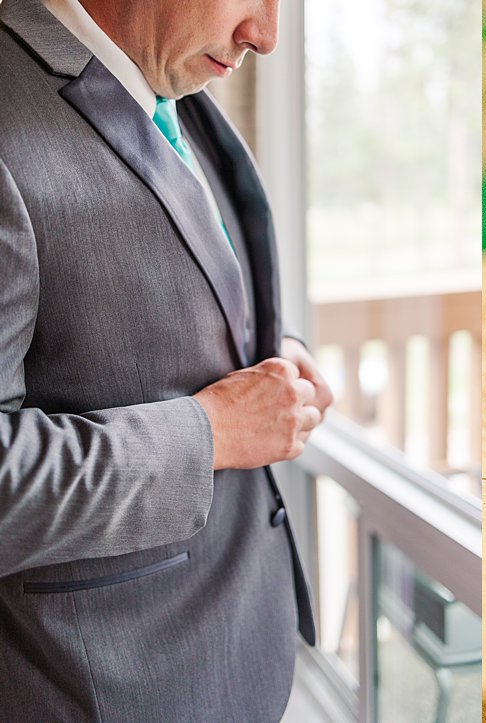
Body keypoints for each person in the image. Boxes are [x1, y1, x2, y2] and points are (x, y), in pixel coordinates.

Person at [0, 0, 333, 719]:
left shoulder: (171, 79)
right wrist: (211, 433)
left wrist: (268, 351)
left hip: (239, 655)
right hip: (106, 689)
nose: (266, 36)